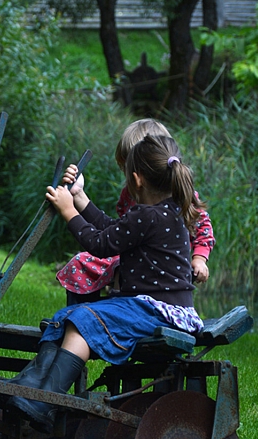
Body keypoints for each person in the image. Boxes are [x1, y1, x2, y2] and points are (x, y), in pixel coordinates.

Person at [7, 135, 205, 434]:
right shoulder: (166, 210)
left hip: (159, 311)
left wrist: (68, 211)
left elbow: (100, 243)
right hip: (150, 306)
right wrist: (80, 198)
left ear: (136, 180)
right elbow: (114, 230)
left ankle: (45, 401)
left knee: (83, 320)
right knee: (63, 318)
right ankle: (31, 388)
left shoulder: (147, 215)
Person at [56, 119, 215, 305]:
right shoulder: (130, 195)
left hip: (159, 269)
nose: (127, 176)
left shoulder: (182, 197)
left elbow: (203, 226)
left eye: (129, 168)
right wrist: (78, 195)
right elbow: (116, 229)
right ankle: (79, 317)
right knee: (81, 263)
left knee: (118, 270)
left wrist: (199, 258)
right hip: (132, 254)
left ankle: (94, 319)